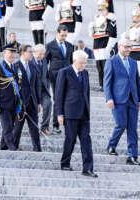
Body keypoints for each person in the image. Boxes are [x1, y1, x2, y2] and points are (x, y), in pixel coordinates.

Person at [56, 50, 98, 178]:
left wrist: (88, 109)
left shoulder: (85, 73)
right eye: (81, 63)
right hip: (70, 113)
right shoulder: (64, 72)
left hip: (84, 113)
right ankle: (65, 163)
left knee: (86, 140)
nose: (83, 66)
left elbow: (87, 93)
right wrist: (59, 113)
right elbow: (59, 95)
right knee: (71, 139)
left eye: (85, 63)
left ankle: (88, 168)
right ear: (74, 61)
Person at [104, 36, 140, 166]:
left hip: (133, 100)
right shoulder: (112, 61)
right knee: (121, 124)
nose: (129, 49)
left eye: (130, 47)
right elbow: (107, 82)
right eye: (126, 47)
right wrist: (108, 98)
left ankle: (132, 156)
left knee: (133, 128)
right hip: (118, 100)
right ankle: (111, 145)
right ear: (119, 46)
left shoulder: (133, 62)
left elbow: (138, 82)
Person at [0, 43, 19, 151]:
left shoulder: (14, 67)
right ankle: (11, 146)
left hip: (13, 103)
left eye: (14, 53)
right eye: (10, 52)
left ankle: (3, 146)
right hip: (3, 102)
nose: (12, 55)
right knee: (7, 126)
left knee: (10, 124)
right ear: (4, 53)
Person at [13, 44, 42, 152]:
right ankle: (14, 146)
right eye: (30, 52)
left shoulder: (33, 66)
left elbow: (36, 85)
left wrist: (38, 102)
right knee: (18, 127)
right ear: (22, 52)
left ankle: (37, 148)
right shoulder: (15, 66)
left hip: (32, 102)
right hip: (20, 103)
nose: (32, 54)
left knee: (34, 127)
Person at [45, 24, 74, 134]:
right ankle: (55, 124)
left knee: (67, 99)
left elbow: (72, 63)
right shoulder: (50, 45)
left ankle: (66, 123)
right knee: (58, 99)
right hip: (55, 76)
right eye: (62, 35)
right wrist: (45, 77)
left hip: (67, 76)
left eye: (65, 36)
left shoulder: (70, 46)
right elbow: (45, 62)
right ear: (57, 33)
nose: (64, 38)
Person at [89, 0, 117, 92]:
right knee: (99, 66)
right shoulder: (98, 17)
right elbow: (92, 34)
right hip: (96, 43)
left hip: (105, 43)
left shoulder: (110, 16)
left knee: (106, 66)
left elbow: (113, 33)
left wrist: (109, 46)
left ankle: (107, 85)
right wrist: (90, 27)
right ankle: (102, 85)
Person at [32, 44, 52, 135]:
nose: (42, 56)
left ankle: (44, 127)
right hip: (33, 90)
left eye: (43, 54)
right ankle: (33, 127)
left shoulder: (44, 60)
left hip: (43, 89)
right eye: (39, 54)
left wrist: (47, 85)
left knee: (48, 104)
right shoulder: (30, 61)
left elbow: (46, 74)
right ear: (34, 53)